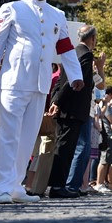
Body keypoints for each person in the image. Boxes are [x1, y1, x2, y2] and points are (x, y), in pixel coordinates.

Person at [0, 0, 84, 204]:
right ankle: (1, 188)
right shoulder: (12, 9)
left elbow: (65, 48)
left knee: (27, 138)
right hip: (13, 82)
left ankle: (16, 186)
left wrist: (76, 75)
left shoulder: (57, 14)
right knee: (8, 136)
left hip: (40, 85)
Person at [46, 24, 100, 199]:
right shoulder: (86, 55)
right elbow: (71, 81)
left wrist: (55, 100)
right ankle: (57, 186)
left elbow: (59, 81)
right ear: (93, 39)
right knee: (64, 149)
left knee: (65, 147)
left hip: (66, 108)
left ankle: (60, 185)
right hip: (73, 110)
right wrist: (59, 103)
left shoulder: (72, 53)